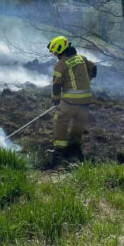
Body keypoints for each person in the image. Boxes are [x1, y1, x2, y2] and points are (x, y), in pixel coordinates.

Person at [47, 36, 96, 167]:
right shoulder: (82, 58)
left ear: (60, 50)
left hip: (70, 102)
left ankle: (59, 152)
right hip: (86, 102)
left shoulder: (61, 65)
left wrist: (56, 101)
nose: (55, 55)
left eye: (55, 52)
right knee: (78, 125)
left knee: (60, 121)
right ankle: (74, 150)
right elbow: (94, 69)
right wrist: (86, 80)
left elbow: (56, 86)